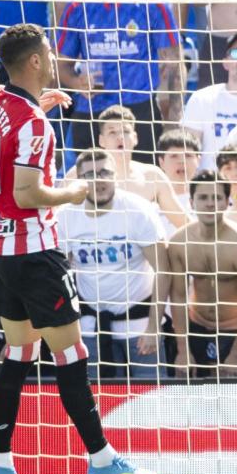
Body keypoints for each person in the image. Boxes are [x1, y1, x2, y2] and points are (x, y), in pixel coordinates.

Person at [0, 23, 157, 474]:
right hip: (35, 253)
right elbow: (28, 192)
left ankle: (0, 458)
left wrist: (40, 105)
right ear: (34, 61)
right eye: (48, 52)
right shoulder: (33, 124)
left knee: (19, 352)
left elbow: (0, 154)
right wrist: (74, 192)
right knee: (71, 354)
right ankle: (101, 458)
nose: (55, 57)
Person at [55, 0, 184, 164]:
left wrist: (172, 122)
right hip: (92, 111)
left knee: (143, 187)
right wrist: (77, 82)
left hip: (140, 110)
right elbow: (60, 66)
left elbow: (173, 66)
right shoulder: (77, 7)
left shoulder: (153, 5)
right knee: (93, 191)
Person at [58, 149, 167, 379]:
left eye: (105, 172)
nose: (99, 180)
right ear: (79, 180)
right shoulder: (66, 215)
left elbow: (164, 270)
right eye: (90, 175)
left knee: (152, 402)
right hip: (89, 325)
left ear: (116, 175)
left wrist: (154, 327)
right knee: (94, 402)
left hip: (139, 322)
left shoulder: (138, 210)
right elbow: (61, 277)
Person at [167, 169, 237, 378]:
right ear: (191, 201)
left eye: (216, 198)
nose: (210, 203)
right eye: (203, 197)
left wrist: (236, 353)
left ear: (227, 202)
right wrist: (183, 349)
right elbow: (178, 298)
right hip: (197, 329)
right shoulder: (180, 243)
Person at [180, 32, 237, 171]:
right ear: (225, 63)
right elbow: (187, 152)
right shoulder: (202, 99)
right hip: (213, 186)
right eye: (236, 53)